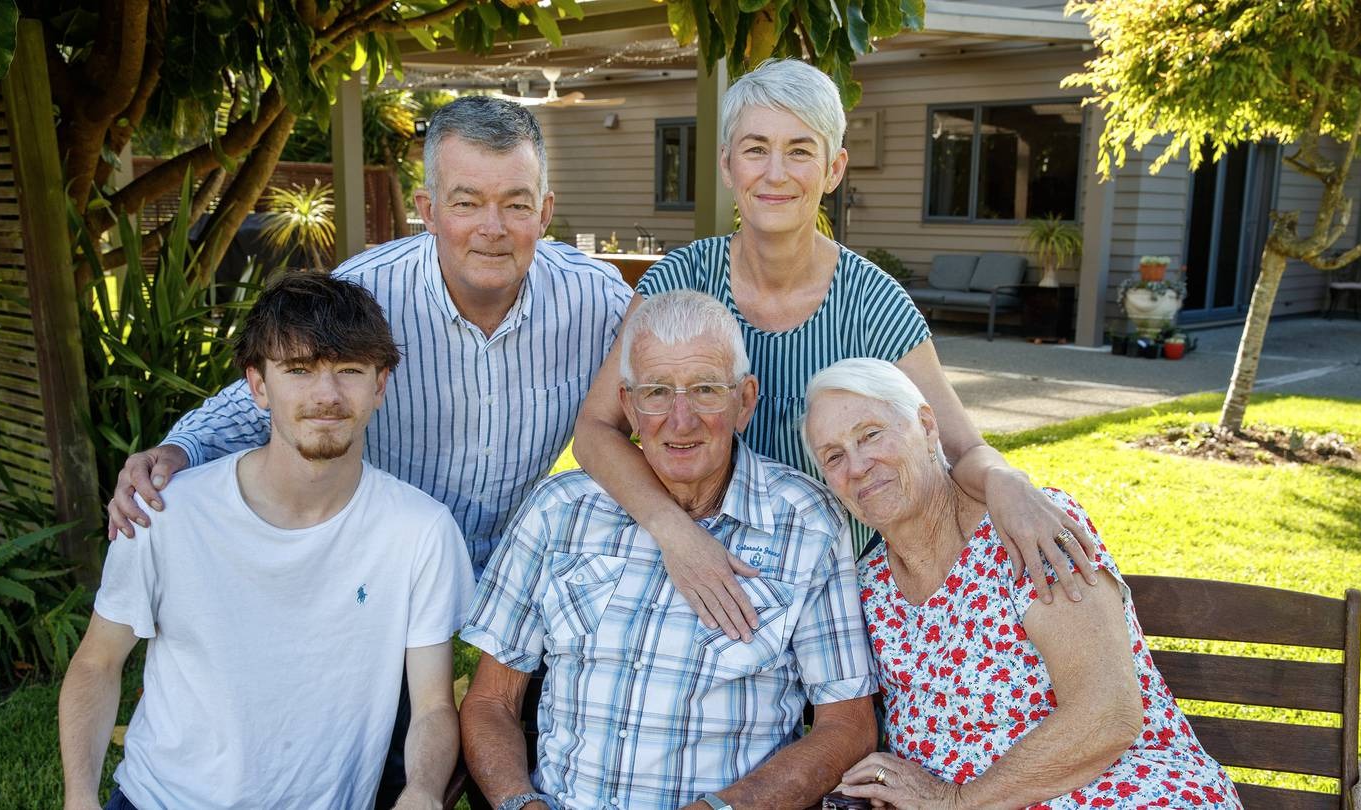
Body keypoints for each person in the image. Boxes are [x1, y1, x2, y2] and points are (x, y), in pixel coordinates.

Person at [101, 95, 632, 804]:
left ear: (545, 208)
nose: (492, 229)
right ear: (427, 208)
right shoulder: (369, 290)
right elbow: (265, 394)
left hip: (518, 576)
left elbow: (657, 406)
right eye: (467, 202)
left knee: (536, 769)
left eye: (516, 203)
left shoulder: (596, 300)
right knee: (394, 768)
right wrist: (175, 450)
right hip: (384, 574)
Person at [573, 58, 1097, 646]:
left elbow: (956, 444)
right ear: (725, 164)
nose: (776, 173)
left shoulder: (872, 301)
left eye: (800, 150)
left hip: (837, 598)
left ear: (833, 168)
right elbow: (595, 429)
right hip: (699, 576)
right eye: (755, 149)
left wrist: (1006, 482)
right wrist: (674, 531)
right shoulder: (678, 280)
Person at [58, 274, 474, 810]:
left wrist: (421, 789)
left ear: (380, 384)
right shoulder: (168, 512)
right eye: (298, 371)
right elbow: (97, 663)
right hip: (159, 799)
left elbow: (434, 707)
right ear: (257, 386)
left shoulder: (420, 530)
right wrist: (79, 797)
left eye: (349, 370)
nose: (326, 396)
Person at [460, 291, 878, 810]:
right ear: (629, 405)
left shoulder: (805, 521)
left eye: (705, 390)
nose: (680, 421)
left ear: (745, 402)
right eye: (656, 392)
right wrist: (520, 803)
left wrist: (725, 809)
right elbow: (490, 701)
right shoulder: (559, 510)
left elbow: (849, 725)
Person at [802, 358, 1242, 810]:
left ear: (928, 426)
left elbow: (1107, 712)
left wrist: (957, 801)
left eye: (871, 434)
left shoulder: (1026, 528)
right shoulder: (867, 587)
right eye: (833, 456)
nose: (856, 466)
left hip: (1122, 791)